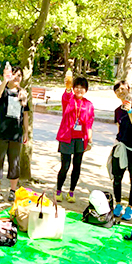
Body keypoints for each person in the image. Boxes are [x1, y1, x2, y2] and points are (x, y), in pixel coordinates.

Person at [0, 65, 29, 202]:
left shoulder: (23, 93)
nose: (16, 78)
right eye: (14, 75)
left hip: (15, 134)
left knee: (14, 163)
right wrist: (5, 80)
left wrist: (25, 132)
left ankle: (12, 191)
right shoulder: (3, 89)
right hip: (0, 133)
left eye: (19, 75)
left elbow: (26, 114)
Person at [55, 76, 94, 204]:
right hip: (67, 137)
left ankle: (71, 191)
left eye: (82, 87)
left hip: (80, 139)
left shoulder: (88, 104)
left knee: (77, 166)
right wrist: (68, 88)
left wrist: (90, 140)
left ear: (86, 90)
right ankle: (59, 190)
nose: (79, 89)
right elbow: (66, 96)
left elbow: (89, 123)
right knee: (65, 166)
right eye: (76, 87)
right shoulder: (69, 99)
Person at [109, 81, 132, 220]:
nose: (120, 92)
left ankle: (129, 208)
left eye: (123, 89)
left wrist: (130, 110)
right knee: (117, 177)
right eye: (117, 90)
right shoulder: (117, 111)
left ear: (129, 89)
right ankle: (118, 204)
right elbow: (119, 129)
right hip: (121, 146)